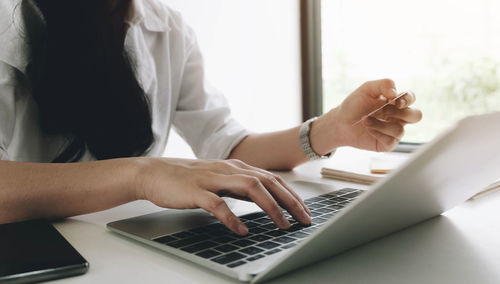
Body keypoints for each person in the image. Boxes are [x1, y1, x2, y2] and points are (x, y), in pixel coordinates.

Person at [0, 0, 422, 236]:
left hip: (126, 244)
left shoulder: (167, 26)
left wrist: (331, 130)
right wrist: (143, 175)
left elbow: (227, 144)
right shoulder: (9, 21)